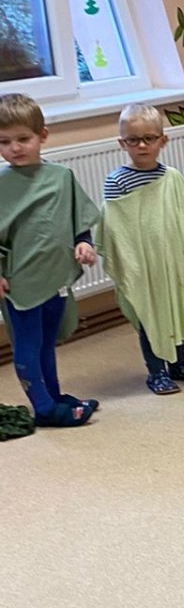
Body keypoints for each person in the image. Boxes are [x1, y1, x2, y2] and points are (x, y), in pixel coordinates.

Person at [0, 94, 100, 429]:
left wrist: (84, 243)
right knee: (28, 344)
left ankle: (54, 397)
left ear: (42, 135)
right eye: (4, 142)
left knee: (47, 342)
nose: (14, 148)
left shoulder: (61, 177)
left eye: (23, 139)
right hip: (20, 282)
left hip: (55, 278)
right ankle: (43, 407)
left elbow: (77, 220)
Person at [98, 103, 184, 396]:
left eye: (149, 138)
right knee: (150, 316)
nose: (142, 145)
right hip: (141, 266)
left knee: (174, 310)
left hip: (168, 261)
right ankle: (156, 371)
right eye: (133, 140)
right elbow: (115, 228)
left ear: (163, 140)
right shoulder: (117, 181)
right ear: (122, 143)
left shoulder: (171, 177)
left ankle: (178, 364)